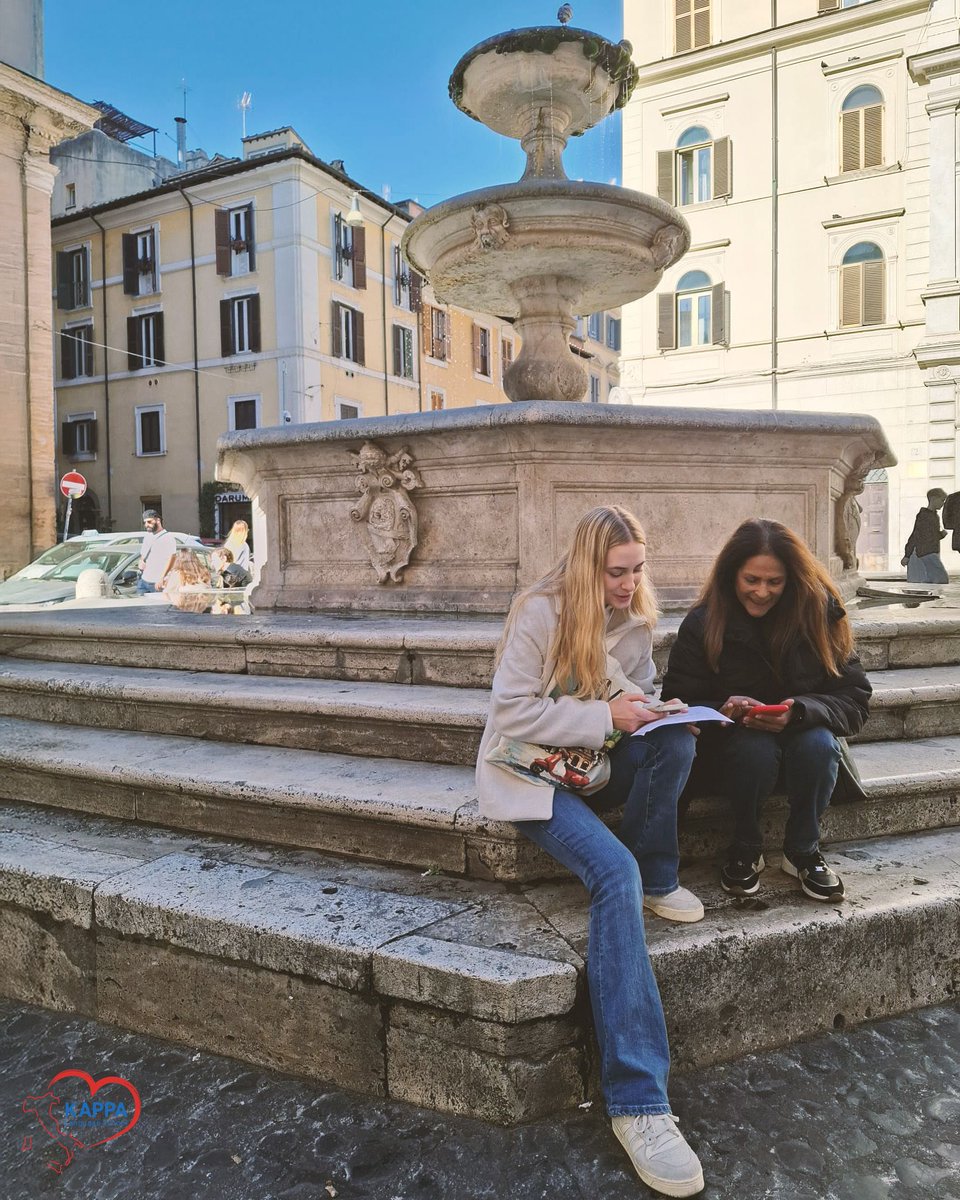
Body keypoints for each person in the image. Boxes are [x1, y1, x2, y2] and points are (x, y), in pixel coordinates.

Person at [476, 505, 704, 1198]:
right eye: (616, 572)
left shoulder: (635, 616)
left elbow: (628, 694)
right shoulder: (540, 611)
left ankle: (660, 877)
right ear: (586, 565)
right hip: (531, 776)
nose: (630, 584)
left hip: (591, 767)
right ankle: (639, 1106)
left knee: (676, 737)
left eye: (638, 569)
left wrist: (651, 709)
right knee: (612, 873)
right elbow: (511, 711)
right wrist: (609, 715)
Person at [662, 518, 871, 904]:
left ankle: (804, 851)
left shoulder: (821, 616)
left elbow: (855, 698)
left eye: (774, 582)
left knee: (821, 744)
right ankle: (745, 848)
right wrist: (723, 709)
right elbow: (677, 702)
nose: (761, 592)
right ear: (732, 575)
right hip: (734, 750)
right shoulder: (702, 623)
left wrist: (801, 711)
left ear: (792, 579)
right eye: (751, 580)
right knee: (753, 748)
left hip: (806, 746)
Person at [901, 488, 949, 583]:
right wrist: (907, 555)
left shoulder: (935, 516)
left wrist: (941, 535)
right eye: (942, 500)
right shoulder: (924, 515)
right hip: (926, 552)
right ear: (933, 499)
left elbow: (931, 535)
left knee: (934, 579)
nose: (943, 503)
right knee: (941, 578)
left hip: (931, 551)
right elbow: (916, 534)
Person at [159, 548, 212, 613]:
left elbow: (167, 593)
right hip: (201, 610)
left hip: (183, 611)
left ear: (179, 560)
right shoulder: (204, 572)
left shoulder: (178, 573)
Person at [137, 510, 177, 595]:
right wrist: (141, 561)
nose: (146, 525)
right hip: (143, 581)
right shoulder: (147, 536)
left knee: (156, 608)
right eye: (145, 522)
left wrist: (162, 578)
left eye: (149, 522)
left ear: (158, 520)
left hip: (157, 583)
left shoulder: (168, 538)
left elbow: (172, 558)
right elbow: (143, 554)